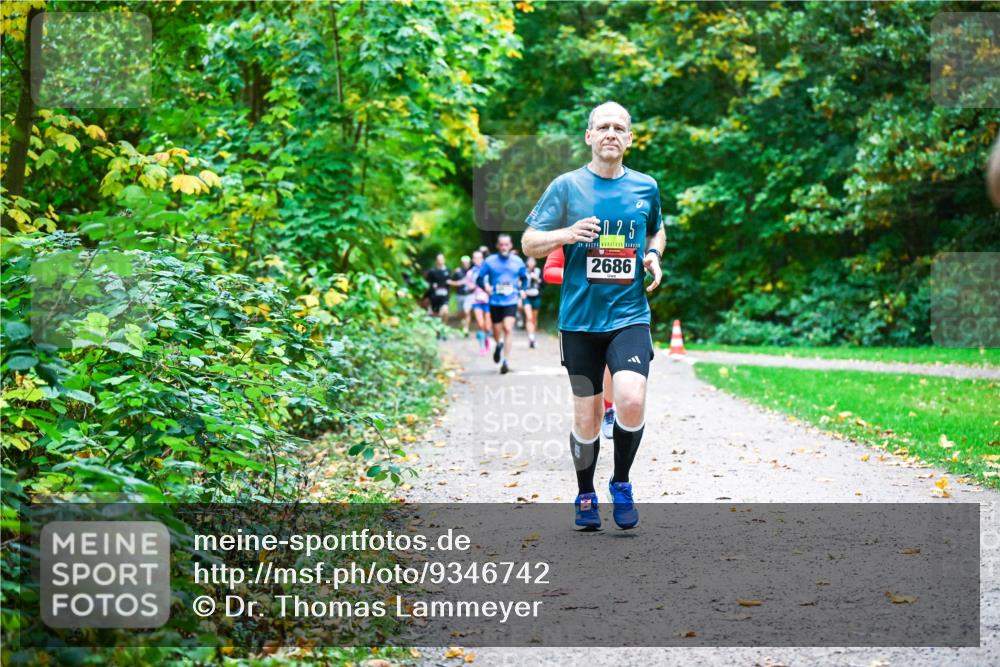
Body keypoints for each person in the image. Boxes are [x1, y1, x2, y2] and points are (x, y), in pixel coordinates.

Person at [522, 101, 665, 531]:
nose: (610, 133)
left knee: (632, 398)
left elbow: (657, 227)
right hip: (579, 322)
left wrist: (654, 254)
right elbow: (529, 242)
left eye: (619, 127)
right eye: (602, 126)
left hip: (629, 315)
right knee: (586, 418)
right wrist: (566, 234)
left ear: (630, 139)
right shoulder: (566, 187)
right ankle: (585, 493)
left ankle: (620, 483)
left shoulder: (645, 187)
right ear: (589, 136)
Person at [543, 247, 617, 438]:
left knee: (612, 364)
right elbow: (550, 271)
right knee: (589, 384)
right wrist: (581, 275)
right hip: (579, 319)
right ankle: (589, 426)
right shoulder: (573, 231)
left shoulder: (618, 228)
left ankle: (609, 410)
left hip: (614, 313)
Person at [476, 233, 527, 374]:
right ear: (498, 246)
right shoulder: (490, 261)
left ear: (510, 246)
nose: (504, 247)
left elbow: (525, 278)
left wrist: (523, 290)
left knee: (508, 328)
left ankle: (505, 360)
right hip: (495, 301)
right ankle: (498, 344)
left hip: (511, 300)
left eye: (507, 244)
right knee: (497, 330)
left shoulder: (518, 261)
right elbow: (479, 279)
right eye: (501, 244)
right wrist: (485, 287)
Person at [467, 251, 492, 355]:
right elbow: (468, 285)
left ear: (482, 259)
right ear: (473, 260)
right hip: (476, 300)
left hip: (488, 300)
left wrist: (489, 288)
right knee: (480, 324)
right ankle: (482, 346)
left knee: (487, 326)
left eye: (479, 258)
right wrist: (473, 286)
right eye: (475, 258)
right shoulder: (470, 272)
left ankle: (487, 339)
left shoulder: (488, 271)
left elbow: (493, 283)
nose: (477, 260)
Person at [425, 253, 451, 337]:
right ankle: (438, 331)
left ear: (444, 260)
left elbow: (451, 283)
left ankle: (443, 328)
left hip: (444, 296)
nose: (440, 261)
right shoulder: (432, 272)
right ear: (436, 261)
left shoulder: (448, 271)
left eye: (442, 259)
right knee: (437, 315)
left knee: (445, 311)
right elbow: (427, 284)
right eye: (438, 259)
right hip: (434, 297)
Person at [450, 255, 474, 337]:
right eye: (464, 263)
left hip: (469, 295)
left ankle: (466, 328)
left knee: (466, 311)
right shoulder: (457, 272)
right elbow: (450, 282)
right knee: (461, 313)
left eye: (467, 263)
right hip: (459, 294)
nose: (465, 264)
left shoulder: (472, 271)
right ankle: (463, 325)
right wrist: (458, 283)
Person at [522, 256, 543, 348]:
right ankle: (530, 337)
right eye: (529, 261)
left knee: (534, 318)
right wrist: (521, 291)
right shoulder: (523, 271)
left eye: (532, 261)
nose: (531, 263)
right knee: (529, 317)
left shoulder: (538, 271)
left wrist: (537, 279)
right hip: (526, 296)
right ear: (527, 263)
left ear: (535, 262)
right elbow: (518, 282)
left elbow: (543, 283)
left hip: (536, 296)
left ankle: (533, 336)